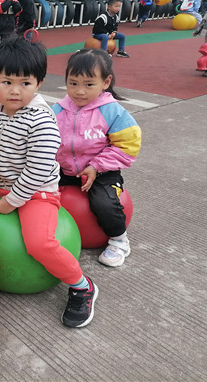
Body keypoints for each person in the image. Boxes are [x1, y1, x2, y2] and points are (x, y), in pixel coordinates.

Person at [0, 36, 98, 328]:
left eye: (25, 83)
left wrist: (11, 202)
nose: (15, 90)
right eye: (7, 82)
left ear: (39, 83)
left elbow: (38, 169)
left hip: (36, 193)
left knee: (40, 243)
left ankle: (81, 286)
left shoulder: (41, 120)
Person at [52, 49, 141, 267]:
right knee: (37, 193)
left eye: (89, 84)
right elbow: (44, 138)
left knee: (104, 203)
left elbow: (128, 145)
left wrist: (96, 166)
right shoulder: (58, 110)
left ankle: (119, 239)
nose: (79, 91)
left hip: (102, 172)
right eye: (73, 83)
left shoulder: (113, 112)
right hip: (64, 170)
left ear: (105, 82)